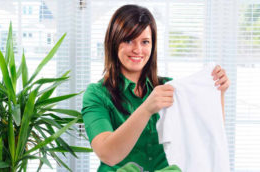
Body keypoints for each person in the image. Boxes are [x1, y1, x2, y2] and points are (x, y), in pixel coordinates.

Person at [81, 4, 230, 171]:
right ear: (114, 42)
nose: (138, 50)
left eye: (145, 42)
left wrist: (219, 92)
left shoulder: (170, 89)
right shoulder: (97, 94)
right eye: (129, 40)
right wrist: (146, 109)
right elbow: (108, 154)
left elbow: (207, 132)